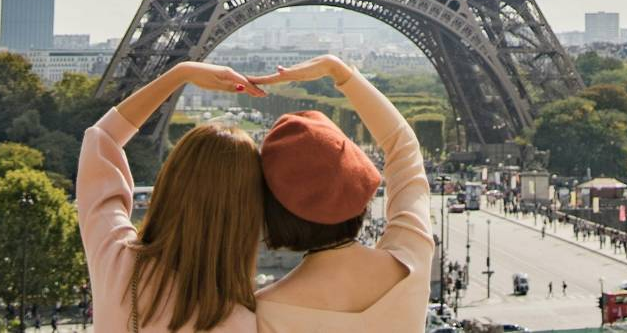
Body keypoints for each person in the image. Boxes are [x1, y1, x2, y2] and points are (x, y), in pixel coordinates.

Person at [76, 62, 267, 332]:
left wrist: (180, 73)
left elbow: (102, 138)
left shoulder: (116, 263)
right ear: (249, 213)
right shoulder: (240, 322)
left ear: (169, 181)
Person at [248, 55, 432, 332]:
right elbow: (403, 144)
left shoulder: (262, 314)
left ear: (274, 211)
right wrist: (340, 71)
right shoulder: (411, 261)